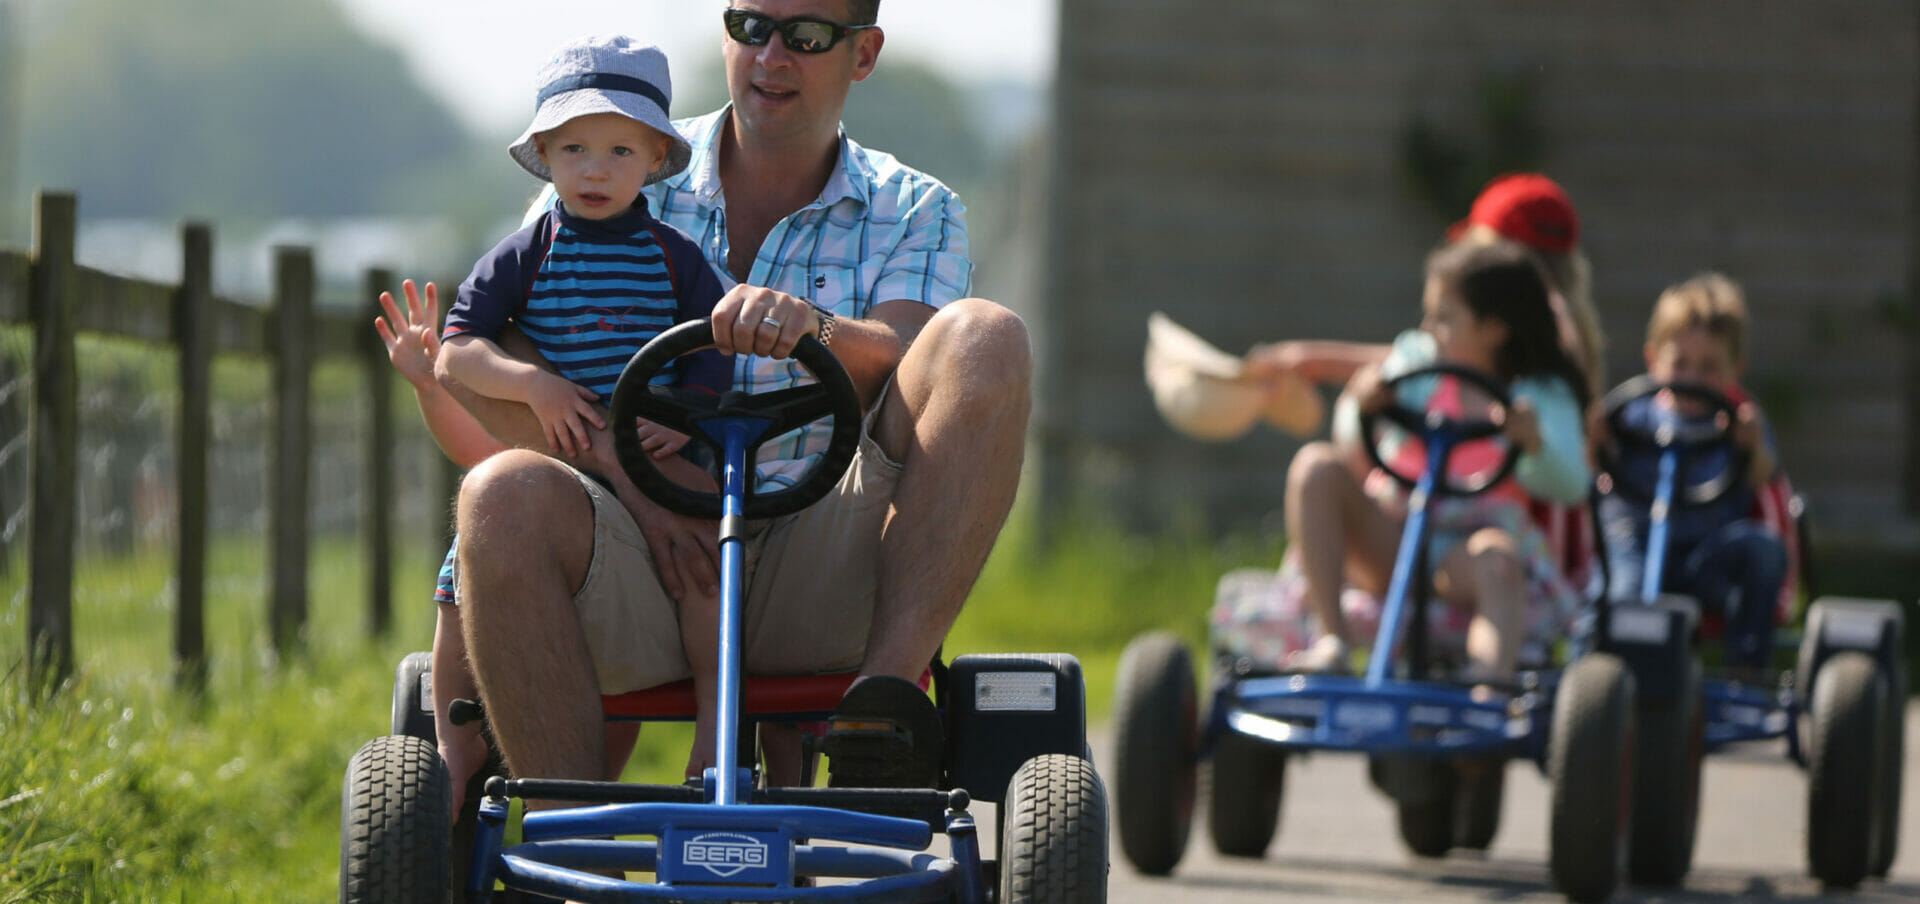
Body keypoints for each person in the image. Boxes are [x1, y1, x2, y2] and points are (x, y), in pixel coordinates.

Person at [418, 0, 1028, 804]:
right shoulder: (614, 157)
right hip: (647, 542)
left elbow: (918, 359)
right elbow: (482, 354)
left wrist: (809, 325)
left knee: (986, 336)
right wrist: (637, 486)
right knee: (498, 492)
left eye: (806, 36)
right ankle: (571, 844)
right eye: (751, 27)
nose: (772, 56)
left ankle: (880, 717)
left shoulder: (914, 207)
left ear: (864, 53)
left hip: (833, 543)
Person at [1260, 240, 1591, 684]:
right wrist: (1364, 406)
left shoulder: (1540, 394)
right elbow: (1352, 443)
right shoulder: (1418, 362)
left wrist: (1535, 443)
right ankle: (1332, 644)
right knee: (1315, 467)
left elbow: (1571, 485)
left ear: (1493, 329)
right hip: (1393, 531)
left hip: (1466, 549)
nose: (1428, 327)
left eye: (1444, 317)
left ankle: (1486, 685)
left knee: (1498, 560)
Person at [1595, 272, 1788, 674]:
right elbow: (1598, 473)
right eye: (1680, 365)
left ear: (1736, 369)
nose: (1692, 381)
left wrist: (1747, 445)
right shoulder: (1632, 416)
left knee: (1763, 550)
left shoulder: (1737, 422)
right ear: (1653, 360)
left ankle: (1747, 669)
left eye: (1708, 367)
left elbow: (1763, 473)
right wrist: (1594, 441)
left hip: (1706, 556)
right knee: (1616, 593)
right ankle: (1598, 675)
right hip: (1639, 543)